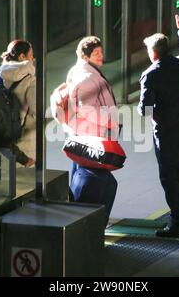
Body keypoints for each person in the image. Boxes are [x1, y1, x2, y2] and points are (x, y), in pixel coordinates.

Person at [138, 8, 179, 237]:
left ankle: (178, 222)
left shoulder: (150, 74)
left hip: (166, 136)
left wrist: (145, 111)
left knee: (169, 177)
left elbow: (145, 109)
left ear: (153, 53)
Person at [63, 36, 120, 227]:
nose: (101, 56)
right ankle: (90, 228)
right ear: (86, 56)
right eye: (96, 53)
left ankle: (87, 226)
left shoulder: (81, 71)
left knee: (82, 180)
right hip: (93, 140)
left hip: (81, 138)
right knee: (101, 185)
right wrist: (111, 120)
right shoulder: (87, 77)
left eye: (101, 52)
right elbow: (86, 109)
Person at [0, 40, 36, 162]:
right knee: (24, 178)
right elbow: (35, 108)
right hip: (23, 139)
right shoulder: (30, 79)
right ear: (22, 57)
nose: (33, 59)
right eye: (31, 55)